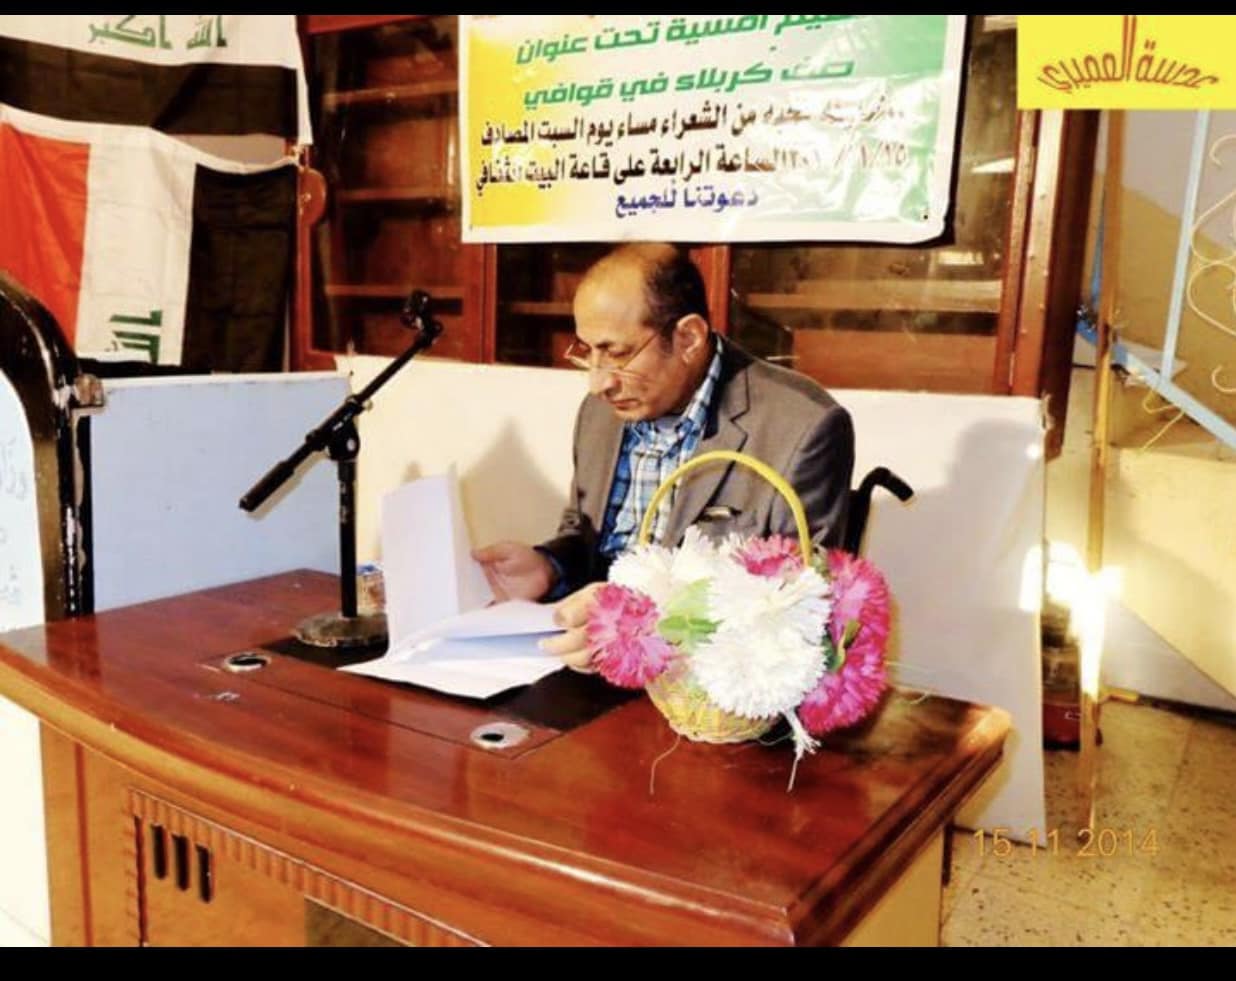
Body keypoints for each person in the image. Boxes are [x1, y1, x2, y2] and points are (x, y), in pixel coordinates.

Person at [472, 243, 854, 672]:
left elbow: (795, 605)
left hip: (701, 682)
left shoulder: (800, 428)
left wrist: (636, 621)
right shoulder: (600, 413)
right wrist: (550, 566)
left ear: (688, 338)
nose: (598, 383)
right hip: (584, 663)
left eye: (617, 354)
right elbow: (587, 535)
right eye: (586, 351)